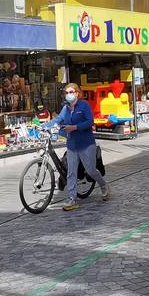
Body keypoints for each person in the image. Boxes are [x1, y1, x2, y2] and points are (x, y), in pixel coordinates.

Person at [49, 82, 110, 211]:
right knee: (71, 172)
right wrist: (42, 126)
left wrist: (75, 127)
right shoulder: (65, 108)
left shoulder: (84, 105)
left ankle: (103, 185)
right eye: (67, 93)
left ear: (77, 93)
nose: (68, 95)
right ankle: (72, 199)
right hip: (72, 144)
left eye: (71, 92)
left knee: (91, 170)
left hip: (86, 144)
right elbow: (57, 120)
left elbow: (90, 122)